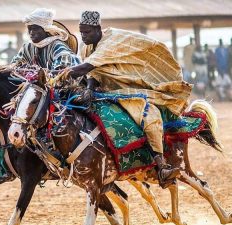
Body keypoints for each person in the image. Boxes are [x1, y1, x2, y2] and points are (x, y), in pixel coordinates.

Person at [65, 11, 192, 187]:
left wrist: (61, 74)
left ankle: (161, 166)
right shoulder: (86, 46)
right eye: (81, 32)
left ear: (97, 29)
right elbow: (94, 72)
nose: (83, 36)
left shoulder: (110, 42)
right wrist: (89, 88)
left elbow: (85, 67)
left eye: (86, 32)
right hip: (105, 91)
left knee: (150, 116)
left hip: (129, 89)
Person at [11, 8, 80, 70]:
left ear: (46, 29)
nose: (31, 32)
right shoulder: (27, 47)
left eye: (35, 29)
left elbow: (64, 70)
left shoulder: (57, 46)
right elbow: (15, 64)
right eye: (29, 29)